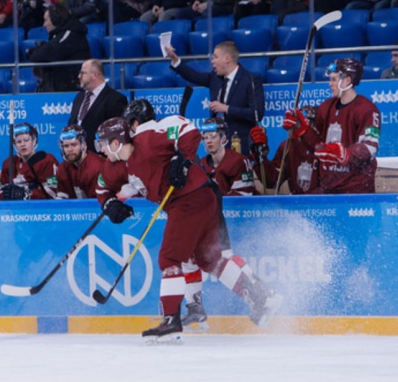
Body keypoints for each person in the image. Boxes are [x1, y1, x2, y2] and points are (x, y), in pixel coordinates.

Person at [95, 113, 282, 343]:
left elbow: (186, 129)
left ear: (115, 143)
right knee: (209, 259)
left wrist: (182, 158)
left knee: (169, 258)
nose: (100, 149)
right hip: (196, 201)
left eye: (102, 143)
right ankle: (262, 296)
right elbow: (102, 189)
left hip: (192, 198)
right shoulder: (113, 166)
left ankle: (170, 320)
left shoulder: (148, 138)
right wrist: (109, 203)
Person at [284, 58, 380, 194]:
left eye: (334, 79)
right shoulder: (325, 107)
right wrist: (303, 130)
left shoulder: (367, 109)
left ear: (347, 81)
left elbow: (370, 148)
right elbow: (320, 146)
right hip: (328, 188)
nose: (330, 84)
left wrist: (346, 153)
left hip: (357, 190)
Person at [166, 41, 265, 157]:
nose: (212, 61)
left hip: (240, 145)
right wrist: (174, 59)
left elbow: (257, 113)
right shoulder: (215, 77)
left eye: (216, 57)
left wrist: (227, 109)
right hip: (218, 148)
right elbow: (194, 76)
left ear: (227, 58)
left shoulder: (250, 80)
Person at [250, 106, 320, 195]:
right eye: (297, 124)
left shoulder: (326, 147)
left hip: (325, 204)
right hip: (296, 205)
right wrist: (260, 157)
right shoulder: (287, 146)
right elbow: (273, 181)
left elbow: (332, 183)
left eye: (309, 126)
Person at [68, 59, 128, 154]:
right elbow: (73, 123)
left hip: (100, 159)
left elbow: (116, 134)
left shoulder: (115, 99)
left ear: (95, 75)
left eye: (82, 73)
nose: (79, 76)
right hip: (77, 158)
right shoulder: (79, 97)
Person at [28, 4, 91, 92]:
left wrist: (36, 54)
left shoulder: (69, 35)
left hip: (72, 89)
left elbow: (42, 55)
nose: (44, 25)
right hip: (63, 85)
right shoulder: (59, 35)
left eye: (46, 20)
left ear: (56, 20)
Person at [0, 122, 60, 200]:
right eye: (18, 141)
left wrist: (27, 194)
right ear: (15, 145)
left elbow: (53, 194)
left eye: (26, 140)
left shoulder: (47, 160)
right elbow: (0, 193)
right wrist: (7, 195)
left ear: (34, 141)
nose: (22, 144)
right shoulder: (9, 163)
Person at [198, 118, 255, 196]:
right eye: (205, 137)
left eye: (213, 136)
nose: (208, 141)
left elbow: (242, 198)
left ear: (223, 138)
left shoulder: (239, 161)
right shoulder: (200, 164)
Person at [55, 124, 104, 199]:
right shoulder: (62, 169)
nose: (70, 149)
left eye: (74, 145)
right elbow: (62, 202)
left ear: (83, 145)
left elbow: (97, 204)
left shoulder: (96, 167)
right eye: (66, 146)